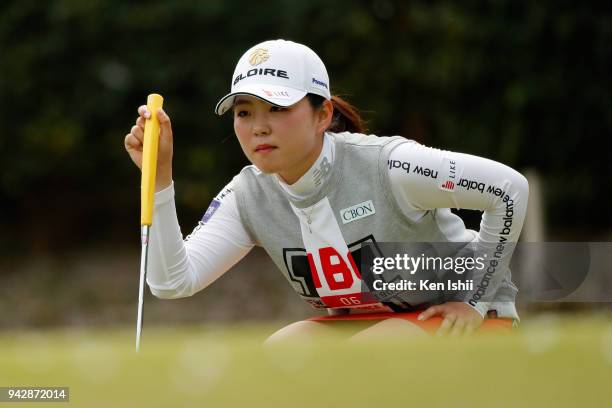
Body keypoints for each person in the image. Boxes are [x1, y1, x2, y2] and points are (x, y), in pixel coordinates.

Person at [124, 39, 529, 342]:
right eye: (245, 112)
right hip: (364, 324)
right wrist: (159, 179)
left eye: (277, 108)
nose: (258, 127)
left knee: (378, 351)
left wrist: (474, 298)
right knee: (278, 354)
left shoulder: (389, 164)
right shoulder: (249, 193)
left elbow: (509, 189)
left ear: (323, 115)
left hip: (464, 319)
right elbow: (171, 282)